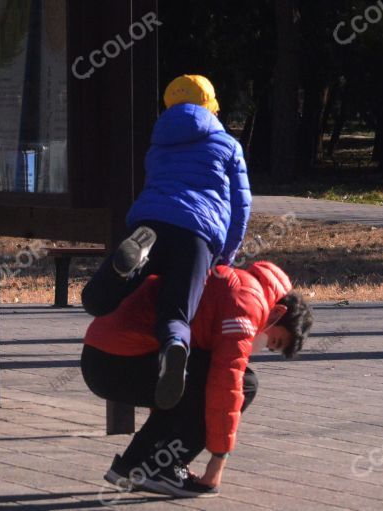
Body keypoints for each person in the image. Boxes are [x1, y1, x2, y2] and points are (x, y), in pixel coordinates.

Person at [82, 74, 252, 410]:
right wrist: (225, 257)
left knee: (100, 301)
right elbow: (241, 207)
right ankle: (175, 345)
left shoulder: (159, 142)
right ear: (212, 108)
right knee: (175, 312)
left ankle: (117, 272)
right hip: (197, 235)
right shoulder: (228, 145)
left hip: (151, 223)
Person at [81, 262, 314, 497]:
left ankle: (133, 465)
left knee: (194, 376)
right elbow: (227, 388)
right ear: (278, 313)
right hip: (119, 362)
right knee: (245, 383)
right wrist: (217, 464)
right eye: (274, 341)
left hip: (101, 358)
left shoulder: (238, 281)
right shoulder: (248, 302)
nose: (264, 346)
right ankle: (163, 466)